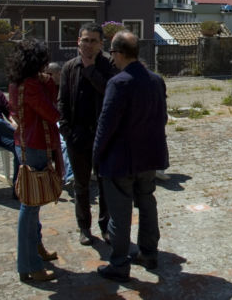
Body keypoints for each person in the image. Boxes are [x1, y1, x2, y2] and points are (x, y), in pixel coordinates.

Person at [93, 31, 169, 282]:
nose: (111, 59)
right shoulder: (156, 80)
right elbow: (162, 118)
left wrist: (97, 156)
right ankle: (149, 253)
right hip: (148, 155)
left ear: (118, 53)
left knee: (120, 213)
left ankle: (118, 263)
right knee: (147, 204)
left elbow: (106, 124)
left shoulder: (119, 82)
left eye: (112, 53)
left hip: (121, 159)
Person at [7, 40, 62, 282]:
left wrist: (47, 83)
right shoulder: (31, 86)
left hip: (24, 144)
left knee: (33, 202)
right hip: (35, 146)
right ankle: (28, 264)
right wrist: (50, 83)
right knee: (29, 207)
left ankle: (36, 248)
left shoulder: (16, 82)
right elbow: (51, 112)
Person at [58, 23, 117, 245]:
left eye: (93, 41)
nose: (88, 45)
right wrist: (65, 129)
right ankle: (84, 227)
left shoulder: (108, 65)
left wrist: (91, 69)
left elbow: (110, 92)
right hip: (77, 136)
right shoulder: (69, 67)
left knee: (105, 184)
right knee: (81, 185)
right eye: (85, 40)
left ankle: (106, 227)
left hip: (104, 136)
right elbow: (62, 101)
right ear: (78, 42)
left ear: (102, 44)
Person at [47, 62, 74, 188]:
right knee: (64, 141)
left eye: (50, 74)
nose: (47, 76)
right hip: (53, 121)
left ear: (58, 73)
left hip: (68, 120)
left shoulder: (68, 86)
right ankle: (69, 175)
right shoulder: (46, 88)